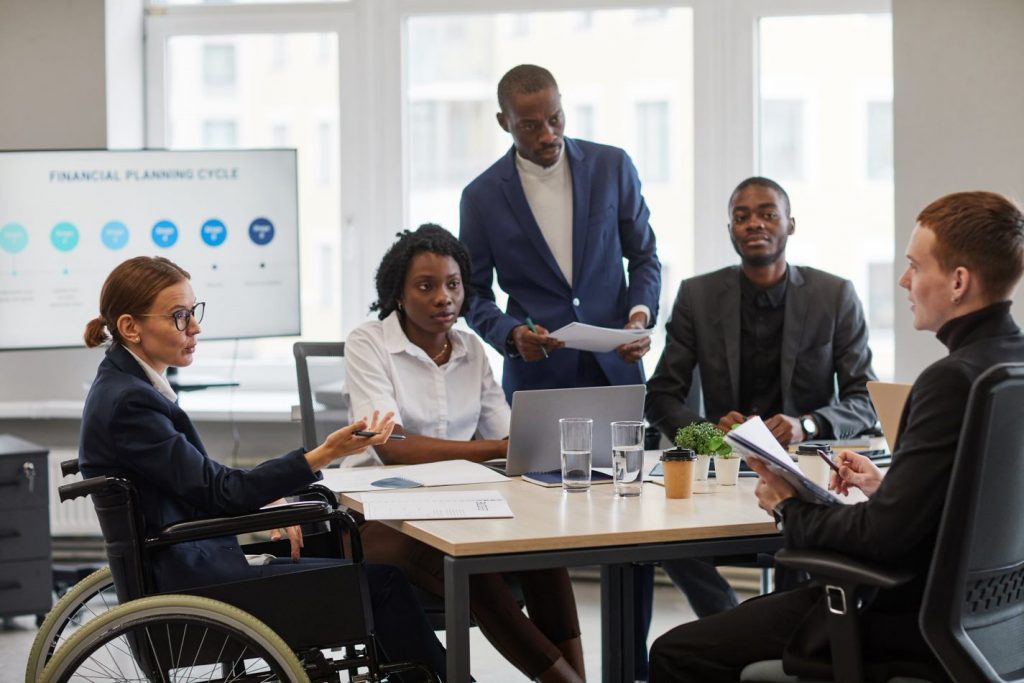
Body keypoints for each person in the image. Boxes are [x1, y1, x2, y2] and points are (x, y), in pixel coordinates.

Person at [648, 190, 1024, 682]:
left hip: (901, 618)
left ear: (957, 282)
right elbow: (978, 504)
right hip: (993, 625)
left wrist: (788, 504)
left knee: (674, 652)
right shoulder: (1008, 366)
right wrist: (889, 488)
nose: (904, 280)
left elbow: (880, 539)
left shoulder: (950, 380)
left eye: (915, 266)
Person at [79, 255, 447, 679]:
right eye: (179, 316)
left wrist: (269, 493)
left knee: (345, 555)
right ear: (130, 327)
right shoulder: (131, 402)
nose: (195, 328)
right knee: (382, 583)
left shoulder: (125, 386)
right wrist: (321, 455)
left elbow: (194, 477)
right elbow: (219, 492)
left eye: (193, 312)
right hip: (194, 577)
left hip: (187, 560)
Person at [458, 63, 664, 678]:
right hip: (540, 380)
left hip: (616, 370)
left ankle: (630, 669)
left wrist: (639, 312)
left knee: (635, 535)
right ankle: (564, 669)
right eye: (530, 124)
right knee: (544, 537)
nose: (547, 133)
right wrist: (510, 335)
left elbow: (645, 254)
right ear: (504, 123)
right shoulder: (481, 194)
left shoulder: (612, 165)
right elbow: (473, 294)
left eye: (555, 118)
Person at [345, 225, 586, 683]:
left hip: (460, 507)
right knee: (467, 565)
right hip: (377, 515)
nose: (444, 298)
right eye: (426, 286)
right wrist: (496, 449)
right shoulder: (369, 342)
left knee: (544, 549)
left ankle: (577, 678)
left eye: (453, 285)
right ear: (398, 292)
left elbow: (509, 435)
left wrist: (528, 444)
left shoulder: (472, 348)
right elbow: (391, 446)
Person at [646, 176, 880, 627]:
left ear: (790, 224)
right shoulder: (697, 295)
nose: (754, 223)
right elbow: (661, 395)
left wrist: (806, 425)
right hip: (724, 466)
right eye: (741, 216)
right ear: (730, 229)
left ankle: (772, 630)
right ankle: (732, 623)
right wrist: (706, 433)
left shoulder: (835, 295)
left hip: (806, 472)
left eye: (767, 213)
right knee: (662, 540)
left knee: (806, 539)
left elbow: (863, 400)